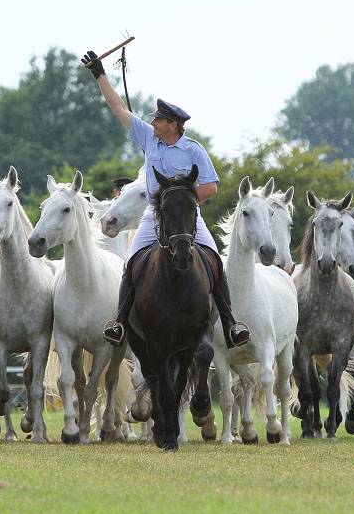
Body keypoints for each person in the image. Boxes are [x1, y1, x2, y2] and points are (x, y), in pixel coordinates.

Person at [80, 50, 249, 349]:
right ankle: (119, 322)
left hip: (187, 217)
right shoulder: (149, 138)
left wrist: (179, 200)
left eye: (158, 119)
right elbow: (117, 107)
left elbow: (211, 188)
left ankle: (230, 323)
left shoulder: (194, 150)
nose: (153, 122)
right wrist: (100, 74)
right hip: (152, 217)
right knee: (132, 262)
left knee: (215, 265)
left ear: (173, 124)